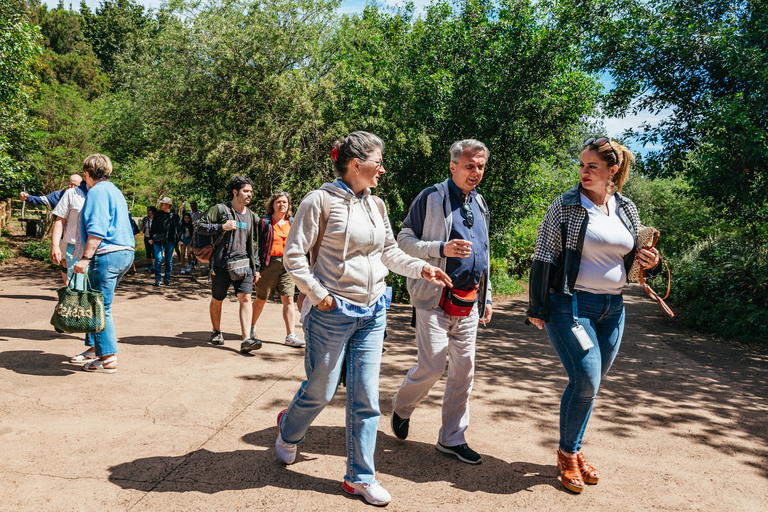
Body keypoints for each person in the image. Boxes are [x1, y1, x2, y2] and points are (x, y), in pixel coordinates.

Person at [277, 131, 452, 507]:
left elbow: (389, 252)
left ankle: (360, 477)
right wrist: (319, 295)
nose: (382, 169)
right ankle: (289, 430)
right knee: (321, 390)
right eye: (377, 162)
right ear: (356, 164)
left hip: (372, 313)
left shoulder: (378, 206)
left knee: (366, 397)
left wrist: (422, 268)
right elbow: (294, 256)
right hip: (331, 313)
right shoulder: (319, 201)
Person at [526, 137, 661, 494]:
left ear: (612, 171)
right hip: (570, 305)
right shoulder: (566, 205)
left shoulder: (626, 207)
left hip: (613, 309)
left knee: (591, 384)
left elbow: (632, 254)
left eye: (592, 167)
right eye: (582, 165)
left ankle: (574, 448)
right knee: (585, 379)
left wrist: (654, 261)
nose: (584, 172)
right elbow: (544, 254)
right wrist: (537, 306)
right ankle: (568, 455)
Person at [389, 139, 493, 466]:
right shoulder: (432, 197)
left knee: (464, 372)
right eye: (469, 166)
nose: (475, 172)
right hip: (433, 299)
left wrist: (486, 297)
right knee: (432, 366)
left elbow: (484, 254)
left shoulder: (481, 204)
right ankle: (401, 408)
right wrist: (440, 248)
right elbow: (403, 240)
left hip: (468, 302)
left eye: (480, 166)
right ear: (453, 167)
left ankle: (451, 438)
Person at [72, 154, 135, 374]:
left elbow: (97, 230)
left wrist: (85, 259)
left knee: (99, 307)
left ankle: (107, 358)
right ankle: (93, 347)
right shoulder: (115, 191)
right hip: (124, 252)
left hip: (107, 253)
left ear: (87, 174)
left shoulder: (97, 192)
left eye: (84, 175)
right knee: (96, 300)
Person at [197, 176, 261, 350]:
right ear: (235, 192)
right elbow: (200, 226)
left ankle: (246, 339)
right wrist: (221, 227)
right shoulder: (220, 209)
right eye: (246, 191)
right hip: (221, 264)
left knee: (246, 298)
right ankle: (216, 331)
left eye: (251, 192)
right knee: (218, 299)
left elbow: (254, 245)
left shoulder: (252, 216)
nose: (249, 195)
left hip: (244, 264)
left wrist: (256, 268)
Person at [249, 192, 304, 348]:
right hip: (268, 264)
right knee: (261, 298)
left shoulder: (292, 222)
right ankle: (250, 329)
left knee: (288, 299)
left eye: (285, 202)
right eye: (278, 202)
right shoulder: (264, 222)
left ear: (288, 205)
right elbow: (256, 247)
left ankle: (290, 335)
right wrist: (257, 268)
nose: (282, 205)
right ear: (272, 204)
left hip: (287, 265)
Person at [49, 178, 89, 287]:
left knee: (95, 293)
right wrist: (55, 245)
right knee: (77, 290)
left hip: (99, 250)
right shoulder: (71, 194)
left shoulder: (103, 193)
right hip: (74, 248)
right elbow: (59, 220)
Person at [149, 197, 181, 286]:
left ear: (167, 205)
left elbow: (179, 227)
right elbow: (153, 227)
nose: (160, 205)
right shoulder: (158, 214)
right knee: (158, 258)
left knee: (168, 260)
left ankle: (166, 278)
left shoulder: (174, 215)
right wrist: (151, 238)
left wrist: (180, 239)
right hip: (157, 240)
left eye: (162, 203)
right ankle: (158, 279)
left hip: (170, 241)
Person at [140, 206, 156, 272]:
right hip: (147, 237)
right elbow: (140, 227)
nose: (148, 212)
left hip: (154, 238)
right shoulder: (145, 219)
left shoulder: (156, 219)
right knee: (148, 251)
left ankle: (154, 266)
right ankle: (148, 265)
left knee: (154, 252)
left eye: (149, 210)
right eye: (147, 210)